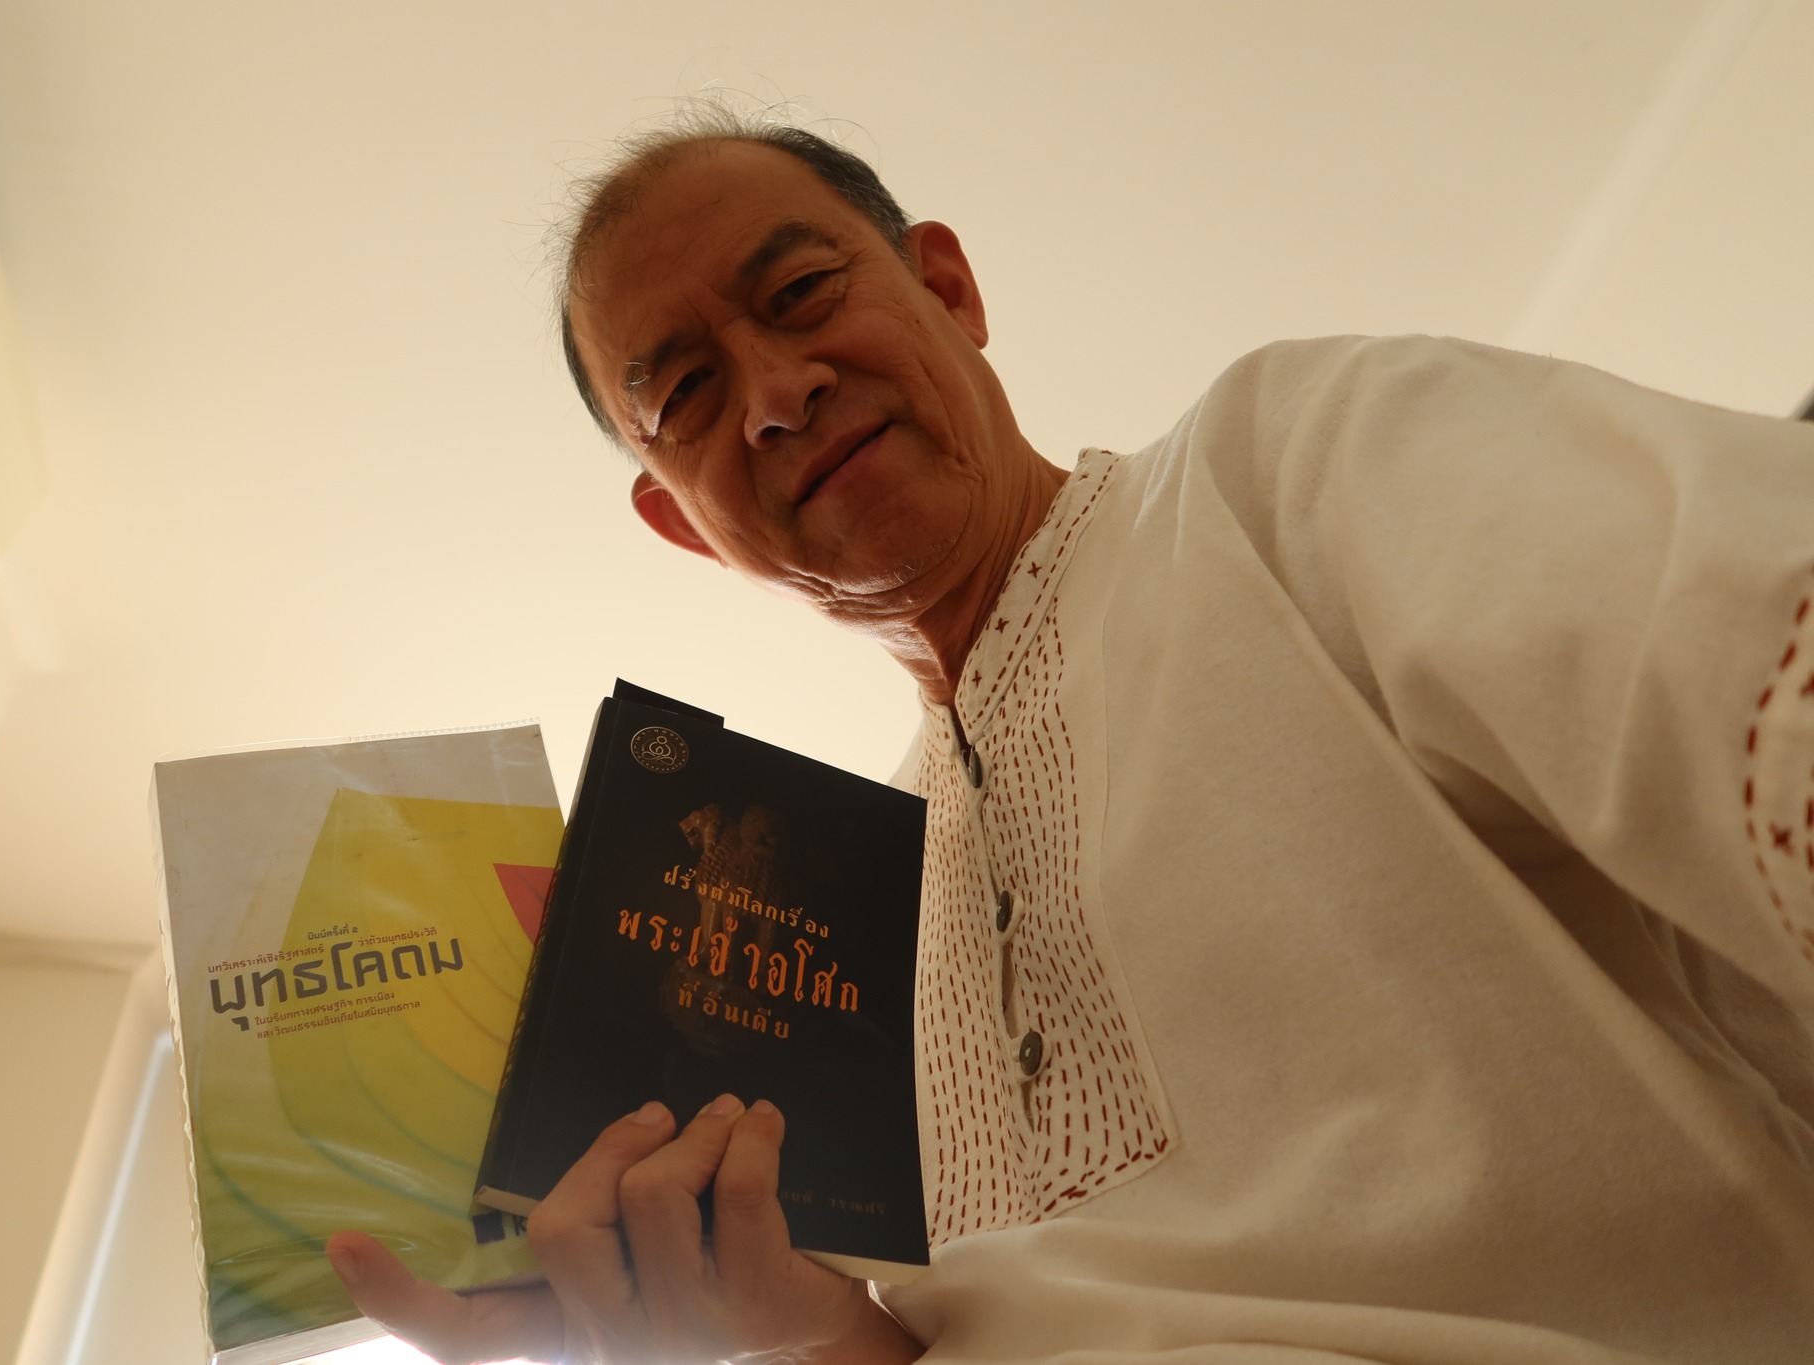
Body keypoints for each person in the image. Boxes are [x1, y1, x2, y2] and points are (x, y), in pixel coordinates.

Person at [326, 104, 1814, 1363]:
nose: (777, 394)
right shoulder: (823, 922)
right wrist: (778, 1323)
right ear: (680, 523)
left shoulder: (1280, 466)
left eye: (802, 294)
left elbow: (1751, 655)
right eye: (692, 395)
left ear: (949, 288)